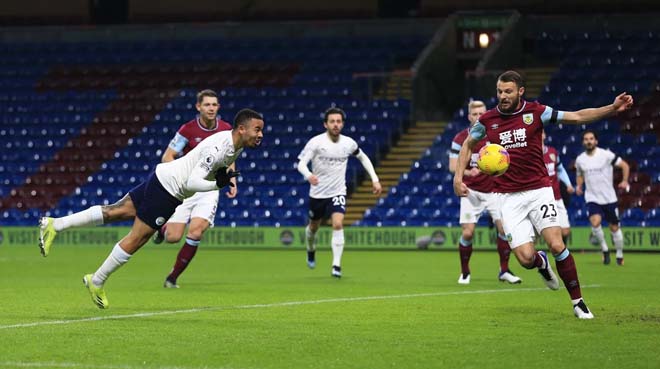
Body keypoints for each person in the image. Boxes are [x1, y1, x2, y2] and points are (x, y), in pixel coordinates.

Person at [38, 108, 264, 309]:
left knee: (117, 211)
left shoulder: (234, 145)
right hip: (169, 189)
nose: (260, 135)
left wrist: (218, 177)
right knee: (137, 238)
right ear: (241, 129)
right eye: (257, 130)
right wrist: (216, 184)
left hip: (161, 177)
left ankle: (55, 224)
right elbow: (191, 183)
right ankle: (96, 280)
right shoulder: (220, 147)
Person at [453, 70, 633, 319]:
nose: (503, 96)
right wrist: (458, 177)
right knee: (526, 259)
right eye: (499, 91)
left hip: (539, 190)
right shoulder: (487, 120)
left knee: (557, 243)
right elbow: (467, 146)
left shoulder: (537, 112)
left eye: (508, 91)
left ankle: (578, 302)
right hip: (508, 197)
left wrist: (612, 108)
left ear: (520, 92)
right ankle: (541, 263)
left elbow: (578, 116)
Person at [151, 89, 236, 289]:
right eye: (207, 104)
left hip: (209, 189)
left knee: (196, 232)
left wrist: (233, 181)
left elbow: (231, 156)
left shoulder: (226, 130)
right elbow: (167, 156)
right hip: (187, 188)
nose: (211, 108)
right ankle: (162, 230)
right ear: (198, 107)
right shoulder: (187, 130)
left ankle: (172, 278)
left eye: (214, 104)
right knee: (173, 237)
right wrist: (178, 176)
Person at [297, 107, 382, 278]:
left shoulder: (348, 143)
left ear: (342, 124)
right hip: (318, 193)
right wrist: (308, 175)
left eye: (338, 121)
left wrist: (374, 178)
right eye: (332, 121)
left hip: (338, 192)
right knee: (313, 228)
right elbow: (301, 164)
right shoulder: (316, 143)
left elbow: (363, 157)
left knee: (337, 224)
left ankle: (336, 265)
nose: (335, 125)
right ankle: (311, 249)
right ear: (325, 124)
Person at [449, 100, 521, 285]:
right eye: (475, 114)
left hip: (494, 190)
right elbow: (452, 166)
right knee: (467, 233)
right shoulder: (460, 139)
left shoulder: (494, 134)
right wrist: (467, 172)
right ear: (469, 116)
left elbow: (505, 159)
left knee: (504, 229)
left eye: (482, 113)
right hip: (470, 191)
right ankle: (465, 272)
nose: (478, 116)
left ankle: (504, 271)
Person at [575, 130, 630, 265]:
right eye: (586, 139)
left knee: (614, 228)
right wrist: (579, 186)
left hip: (609, 198)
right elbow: (580, 174)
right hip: (592, 197)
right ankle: (605, 250)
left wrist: (625, 180)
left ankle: (619, 254)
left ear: (596, 141)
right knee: (595, 222)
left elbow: (624, 165)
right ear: (583, 142)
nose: (589, 141)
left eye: (591, 139)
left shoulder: (606, 155)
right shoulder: (580, 159)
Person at [542, 129, 575, 246]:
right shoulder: (530, 154)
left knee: (565, 231)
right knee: (537, 234)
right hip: (540, 199)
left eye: (541, 132)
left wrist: (569, 184)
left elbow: (560, 169)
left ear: (544, 135)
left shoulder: (552, 152)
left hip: (556, 197)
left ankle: (561, 252)